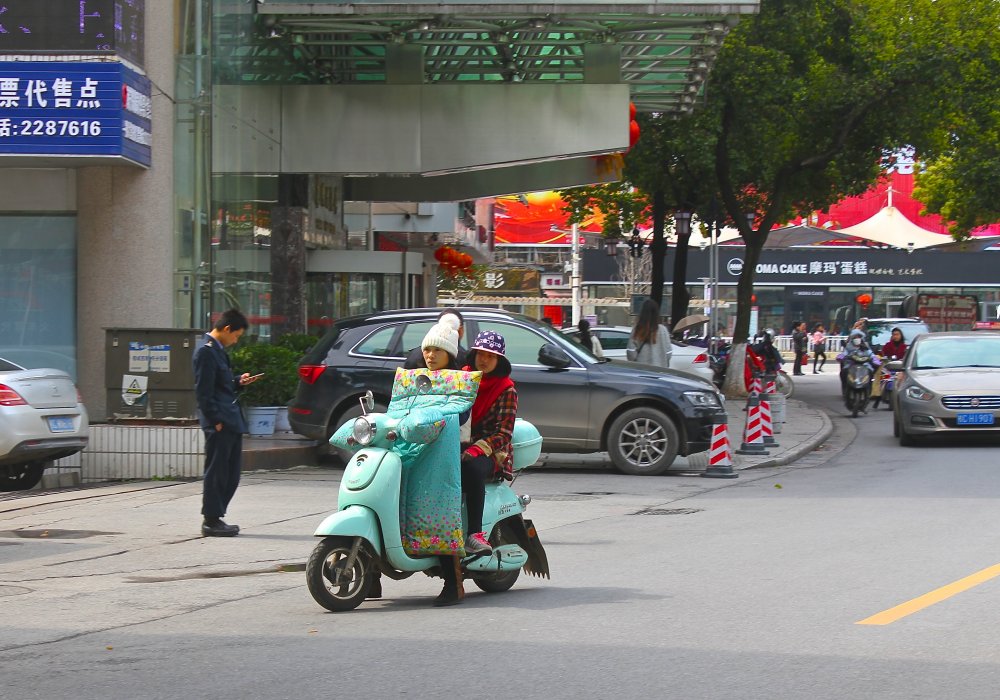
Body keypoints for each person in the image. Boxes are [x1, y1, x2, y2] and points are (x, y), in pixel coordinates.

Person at [193, 308, 261, 537]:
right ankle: (211, 520)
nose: (236, 340)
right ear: (227, 328)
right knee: (217, 472)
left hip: (230, 420)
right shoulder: (206, 352)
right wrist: (215, 420)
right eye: (236, 336)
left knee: (231, 473)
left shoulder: (218, 352)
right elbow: (203, 393)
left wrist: (238, 381)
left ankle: (217, 516)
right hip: (220, 422)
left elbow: (221, 385)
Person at [629, 298, 672, 368]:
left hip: (641, 370)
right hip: (660, 371)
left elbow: (631, 352)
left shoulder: (637, 329)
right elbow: (668, 353)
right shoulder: (663, 330)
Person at [871, 327, 907, 408]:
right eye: (894, 335)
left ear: (901, 336)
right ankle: (877, 395)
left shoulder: (904, 347)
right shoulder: (887, 345)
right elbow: (882, 354)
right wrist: (881, 357)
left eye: (897, 334)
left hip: (900, 368)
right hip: (888, 367)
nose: (895, 336)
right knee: (880, 377)